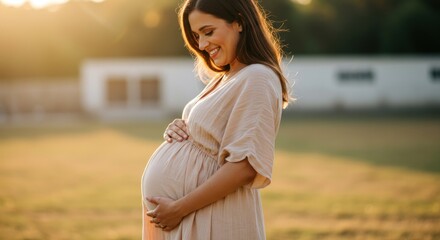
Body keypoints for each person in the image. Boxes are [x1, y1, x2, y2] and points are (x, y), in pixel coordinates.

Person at [141, 0, 290, 239]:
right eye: (196, 36)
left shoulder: (258, 77)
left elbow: (245, 166)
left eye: (208, 32)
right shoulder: (228, 76)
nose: (201, 44)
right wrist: (181, 129)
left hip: (212, 215)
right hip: (194, 215)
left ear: (239, 22)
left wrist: (179, 209)